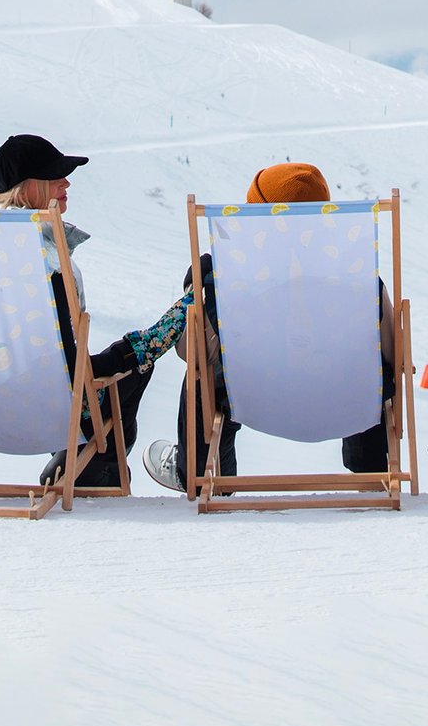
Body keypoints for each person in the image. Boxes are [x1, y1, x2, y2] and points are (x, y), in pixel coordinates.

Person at [114, 162, 397, 492]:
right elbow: (393, 353)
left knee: (202, 373)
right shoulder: (360, 283)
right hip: (346, 403)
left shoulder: (230, 284)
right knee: (372, 368)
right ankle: (374, 473)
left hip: (254, 401)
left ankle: (203, 472)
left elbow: (187, 351)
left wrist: (197, 291)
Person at [0, 134, 151, 489]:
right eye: (55, 175)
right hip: (43, 403)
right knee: (137, 363)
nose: (67, 182)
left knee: (129, 358)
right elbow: (63, 366)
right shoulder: (38, 255)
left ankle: (92, 464)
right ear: (26, 188)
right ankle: (91, 464)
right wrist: (125, 355)